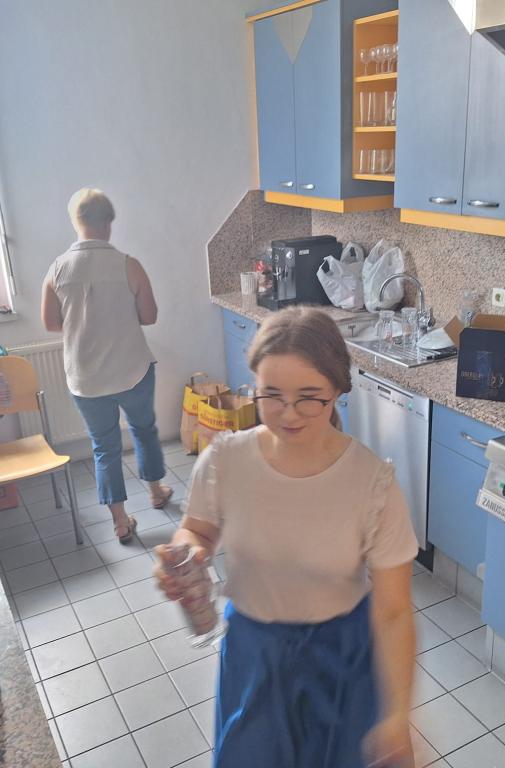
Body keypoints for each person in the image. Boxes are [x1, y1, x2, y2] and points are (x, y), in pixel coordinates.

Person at [155, 307, 417, 768]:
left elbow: (394, 611)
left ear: (337, 390)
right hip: (253, 656)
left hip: (341, 661)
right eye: (271, 395)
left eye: (309, 397)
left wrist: (396, 714)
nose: (288, 413)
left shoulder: (371, 482)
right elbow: (198, 529)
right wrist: (189, 552)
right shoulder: (225, 461)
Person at [42, 188, 172, 544]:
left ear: (76, 222)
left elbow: (51, 323)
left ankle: (119, 521)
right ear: (109, 223)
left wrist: (85, 322)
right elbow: (150, 316)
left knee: (104, 447)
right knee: (143, 430)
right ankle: (156, 492)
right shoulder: (129, 265)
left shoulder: (57, 268)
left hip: (85, 377)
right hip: (133, 371)